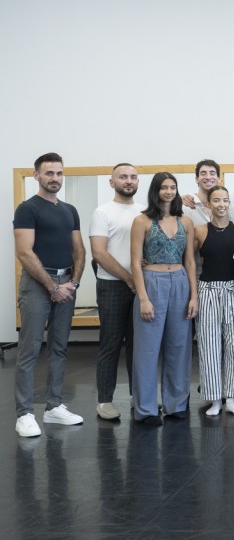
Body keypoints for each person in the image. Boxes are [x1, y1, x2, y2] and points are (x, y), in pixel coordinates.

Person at [13, 152, 86, 438]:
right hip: (37, 283)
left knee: (59, 347)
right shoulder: (27, 209)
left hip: (67, 282)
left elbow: (79, 250)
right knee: (29, 349)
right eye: (49, 173)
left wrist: (73, 283)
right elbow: (24, 252)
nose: (55, 178)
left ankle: (54, 406)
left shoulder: (69, 210)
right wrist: (52, 287)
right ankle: (24, 414)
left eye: (59, 173)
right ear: (37, 176)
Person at [130, 172, 199, 426]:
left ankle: (176, 404)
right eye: (164, 187)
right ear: (155, 191)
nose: (169, 191)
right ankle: (146, 409)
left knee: (179, 346)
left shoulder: (186, 222)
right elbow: (135, 263)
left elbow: (190, 261)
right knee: (147, 349)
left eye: (172, 187)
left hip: (180, 282)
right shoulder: (142, 221)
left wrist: (194, 296)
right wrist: (143, 298)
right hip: (152, 282)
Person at [90, 162, 142, 421]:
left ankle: (138, 397)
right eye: (123, 177)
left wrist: (138, 281)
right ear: (112, 182)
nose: (128, 181)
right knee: (111, 344)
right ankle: (105, 401)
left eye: (133, 177)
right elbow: (99, 254)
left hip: (140, 286)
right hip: (112, 285)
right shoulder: (103, 212)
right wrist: (128, 278)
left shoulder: (144, 211)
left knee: (137, 345)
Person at [194, 186, 234, 417]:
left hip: (233, 288)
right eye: (216, 200)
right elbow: (189, 262)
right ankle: (215, 399)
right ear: (209, 204)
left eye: (225, 200)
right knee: (209, 345)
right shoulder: (199, 231)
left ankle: (232, 398)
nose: (221, 204)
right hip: (207, 290)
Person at [182, 159, 221, 227]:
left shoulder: (226, 205)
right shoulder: (186, 205)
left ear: (218, 179)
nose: (208, 177)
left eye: (212, 173)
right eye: (203, 173)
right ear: (197, 179)